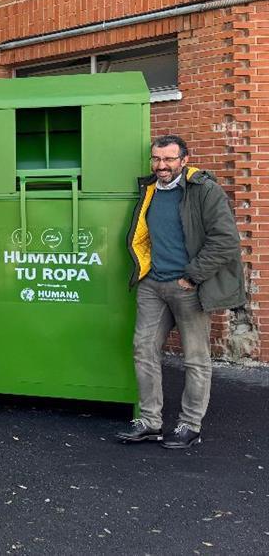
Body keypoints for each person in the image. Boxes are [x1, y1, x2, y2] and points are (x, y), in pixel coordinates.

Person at [117, 134, 244, 449]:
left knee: (195, 359)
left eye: (169, 159)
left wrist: (193, 276)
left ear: (184, 160)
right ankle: (150, 423)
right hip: (153, 284)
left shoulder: (205, 191)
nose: (162, 165)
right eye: (157, 159)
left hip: (188, 286)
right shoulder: (149, 191)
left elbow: (226, 241)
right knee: (143, 349)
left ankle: (190, 426)